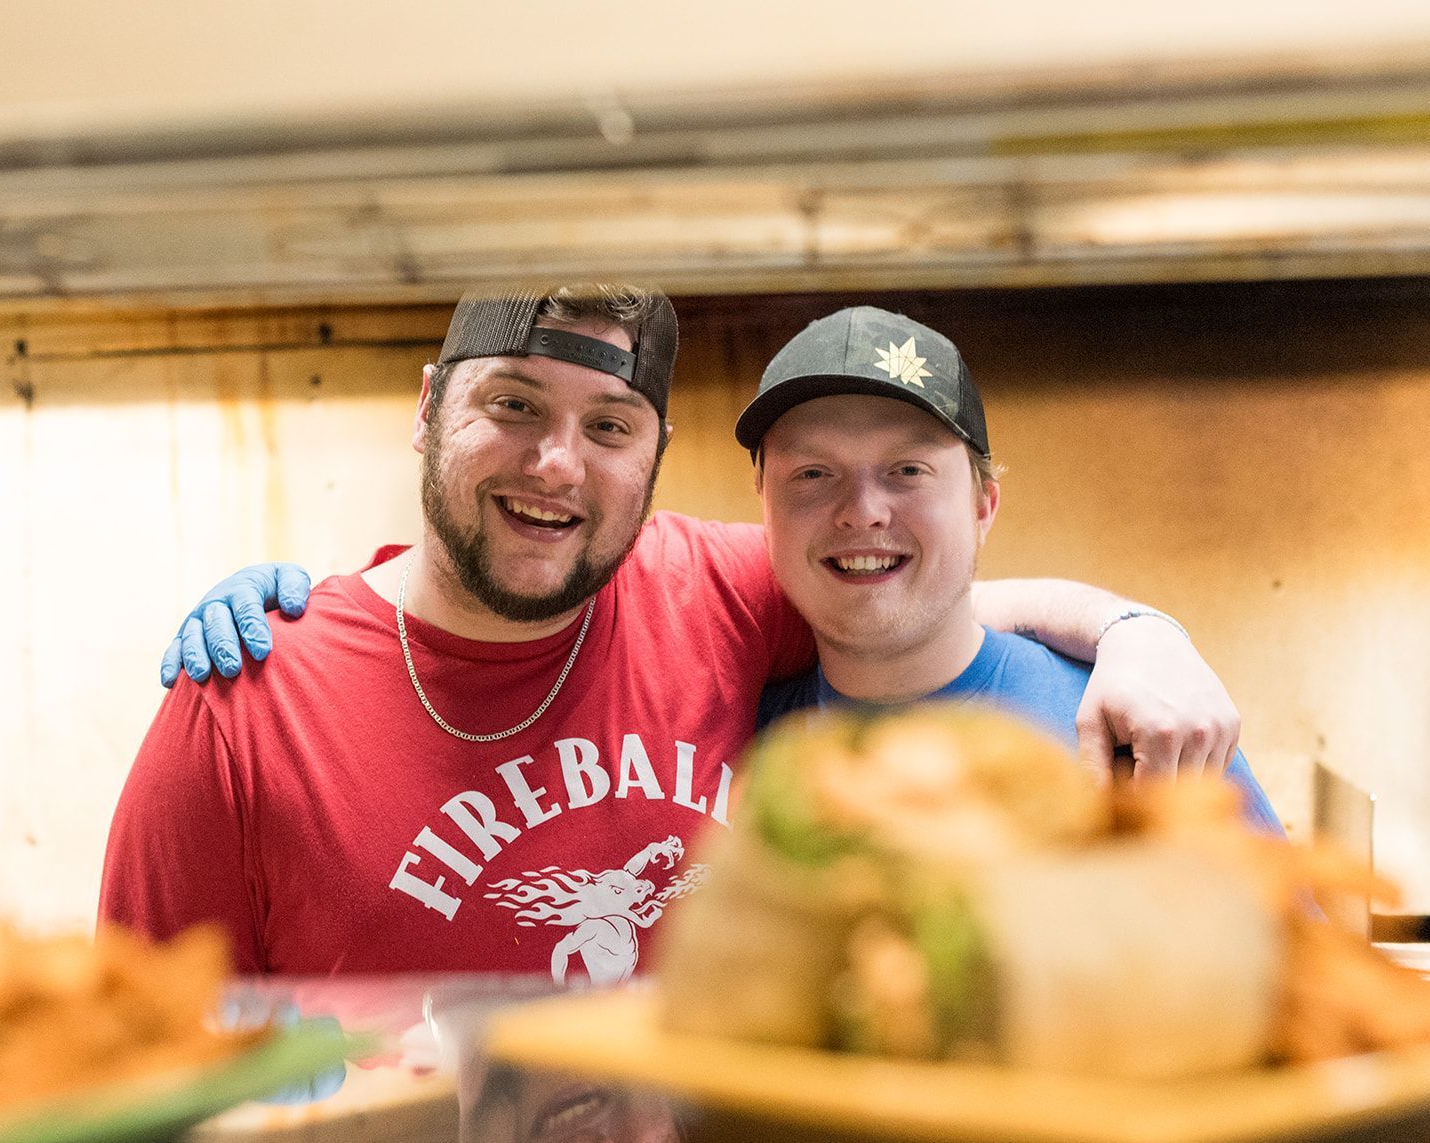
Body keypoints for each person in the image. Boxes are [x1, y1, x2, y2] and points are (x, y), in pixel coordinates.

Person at [100, 282, 1249, 982]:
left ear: (652, 455)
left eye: (609, 423)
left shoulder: (715, 588)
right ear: (426, 408)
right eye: (511, 404)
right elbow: (134, 1057)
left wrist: (1141, 630)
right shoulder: (248, 694)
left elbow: (915, 597)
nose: (556, 463)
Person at [737, 306, 1279, 830]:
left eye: (907, 469)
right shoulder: (731, 745)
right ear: (763, 506)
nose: (862, 512)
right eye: (812, 473)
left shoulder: (1138, 728)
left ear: (982, 507)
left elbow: (1285, 921)